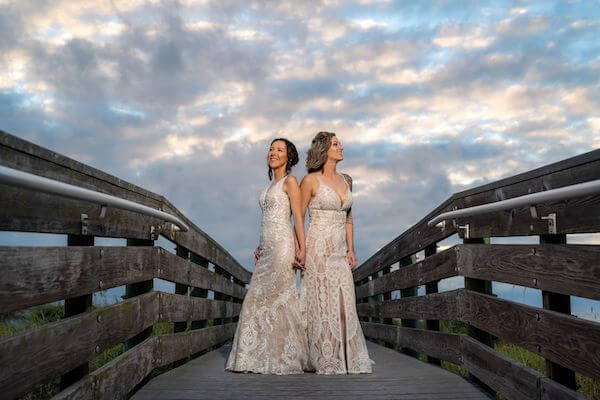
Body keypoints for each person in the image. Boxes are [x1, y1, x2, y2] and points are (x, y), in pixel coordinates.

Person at [226, 138, 309, 374]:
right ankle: (256, 356)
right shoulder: (268, 188)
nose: (273, 152)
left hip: (283, 248)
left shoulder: (290, 181)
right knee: (257, 300)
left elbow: (297, 218)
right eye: (271, 149)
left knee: (280, 299)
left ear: (288, 157)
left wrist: (302, 249)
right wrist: (259, 244)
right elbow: (268, 220)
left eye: (279, 150)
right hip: (266, 249)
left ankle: (284, 357)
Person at [299, 131, 373, 375]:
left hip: (340, 251)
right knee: (322, 306)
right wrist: (299, 249)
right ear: (324, 149)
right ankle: (326, 358)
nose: (341, 146)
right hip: (318, 248)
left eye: (340, 143)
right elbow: (297, 218)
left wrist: (352, 249)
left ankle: (346, 357)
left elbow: (349, 218)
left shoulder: (347, 179)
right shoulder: (310, 181)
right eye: (335, 144)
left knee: (344, 306)